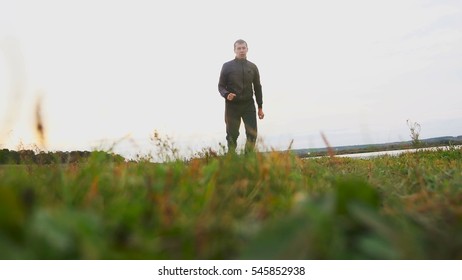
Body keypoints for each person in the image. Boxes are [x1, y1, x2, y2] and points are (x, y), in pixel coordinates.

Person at [218, 39, 264, 154]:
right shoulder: (227, 66)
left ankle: (247, 161)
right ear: (234, 50)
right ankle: (232, 161)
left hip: (248, 104)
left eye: (243, 48)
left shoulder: (253, 67)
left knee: (252, 134)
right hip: (232, 106)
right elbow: (220, 86)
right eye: (239, 48)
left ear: (247, 49)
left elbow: (257, 87)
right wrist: (226, 94)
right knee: (232, 136)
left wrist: (260, 107)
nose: (241, 50)